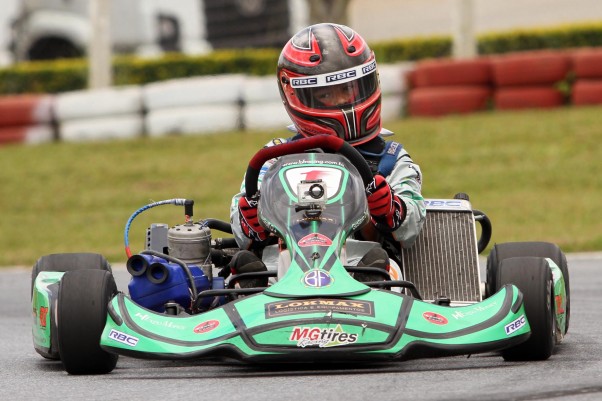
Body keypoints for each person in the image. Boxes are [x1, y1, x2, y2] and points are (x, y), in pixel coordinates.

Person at [229, 23, 426, 287]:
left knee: (382, 264)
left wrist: (391, 209)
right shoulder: (274, 160)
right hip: (281, 268)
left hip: (362, 263)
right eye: (325, 94)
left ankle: (372, 285)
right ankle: (253, 290)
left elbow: (412, 225)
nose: (341, 102)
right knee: (243, 268)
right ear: (295, 95)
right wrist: (250, 219)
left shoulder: (390, 159)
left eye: (348, 89)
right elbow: (242, 223)